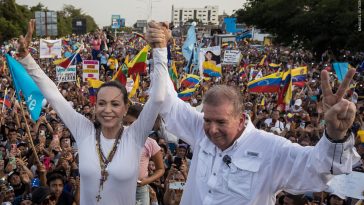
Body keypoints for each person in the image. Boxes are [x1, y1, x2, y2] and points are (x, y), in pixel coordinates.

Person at [147, 21, 360, 205]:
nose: (212, 129)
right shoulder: (200, 131)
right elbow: (165, 99)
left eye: (221, 122)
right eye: (207, 120)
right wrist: (159, 49)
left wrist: (335, 134)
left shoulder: (271, 149)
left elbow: (317, 170)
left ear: (241, 119)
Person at [17, 19, 169, 205]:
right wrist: (26, 58)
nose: (107, 110)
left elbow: (159, 98)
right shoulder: (84, 131)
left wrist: (160, 49)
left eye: (115, 104)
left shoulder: (135, 135)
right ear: (95, 106)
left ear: (125, 109)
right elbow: (55, 96)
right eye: (102, 103)